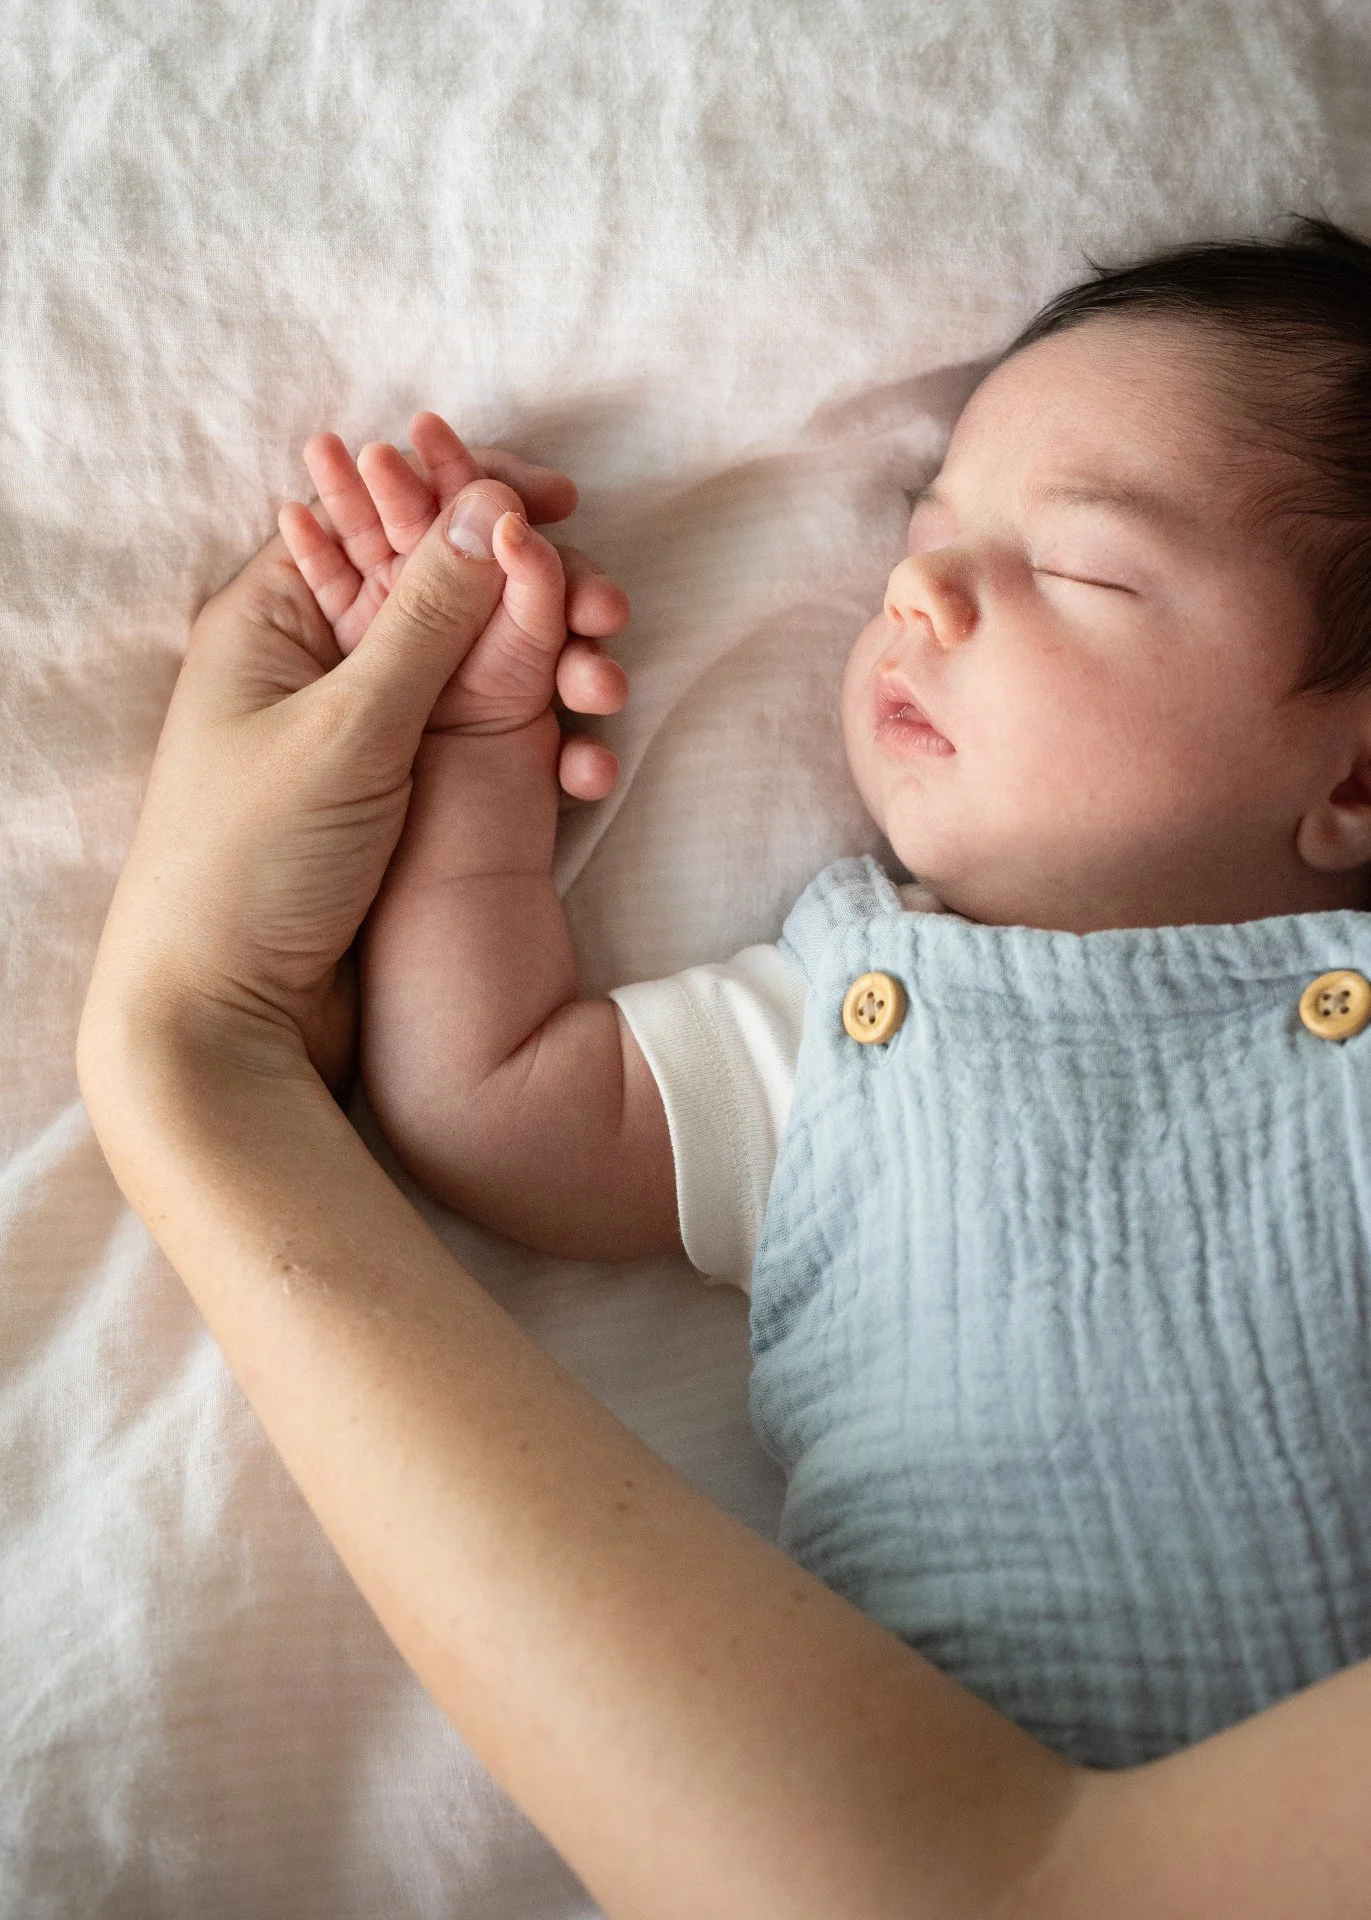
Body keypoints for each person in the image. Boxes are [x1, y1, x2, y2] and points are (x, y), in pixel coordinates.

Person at [77, 219, 1371, 1916]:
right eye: (926, 538)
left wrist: (190, 1040)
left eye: (1083, 571)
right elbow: (495, 1100)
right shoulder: (854, 1013)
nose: (918, 591)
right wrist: (475, 749)